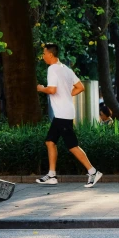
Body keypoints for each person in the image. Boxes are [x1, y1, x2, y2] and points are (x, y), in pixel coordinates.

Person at [36, 43, 102, 188]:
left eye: (44, 53)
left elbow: (52, 90)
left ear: (51, 54)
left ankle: (93, 171)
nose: (43, 56)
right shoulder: (66, 69)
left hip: (62, 113)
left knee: (72, 145)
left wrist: (41, 88)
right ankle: (52, 175)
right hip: (64, 112)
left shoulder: (52, 69)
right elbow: (80, 87)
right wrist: (66, 94)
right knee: (50, 142)